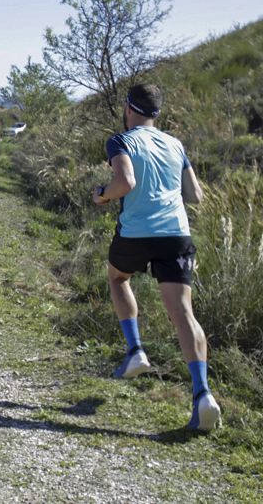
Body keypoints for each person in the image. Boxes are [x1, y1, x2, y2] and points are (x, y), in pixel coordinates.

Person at [93, 84, 220, 431]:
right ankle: (203, 395)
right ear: (157, 113)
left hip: (136, 232)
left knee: (118, 277)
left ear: (128, 108)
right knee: (183, 313)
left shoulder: (121, 141)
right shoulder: (175, 144)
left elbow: (126, 182)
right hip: (175, 234)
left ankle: (135, 350)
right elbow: (195, 194)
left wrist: (103, 194)